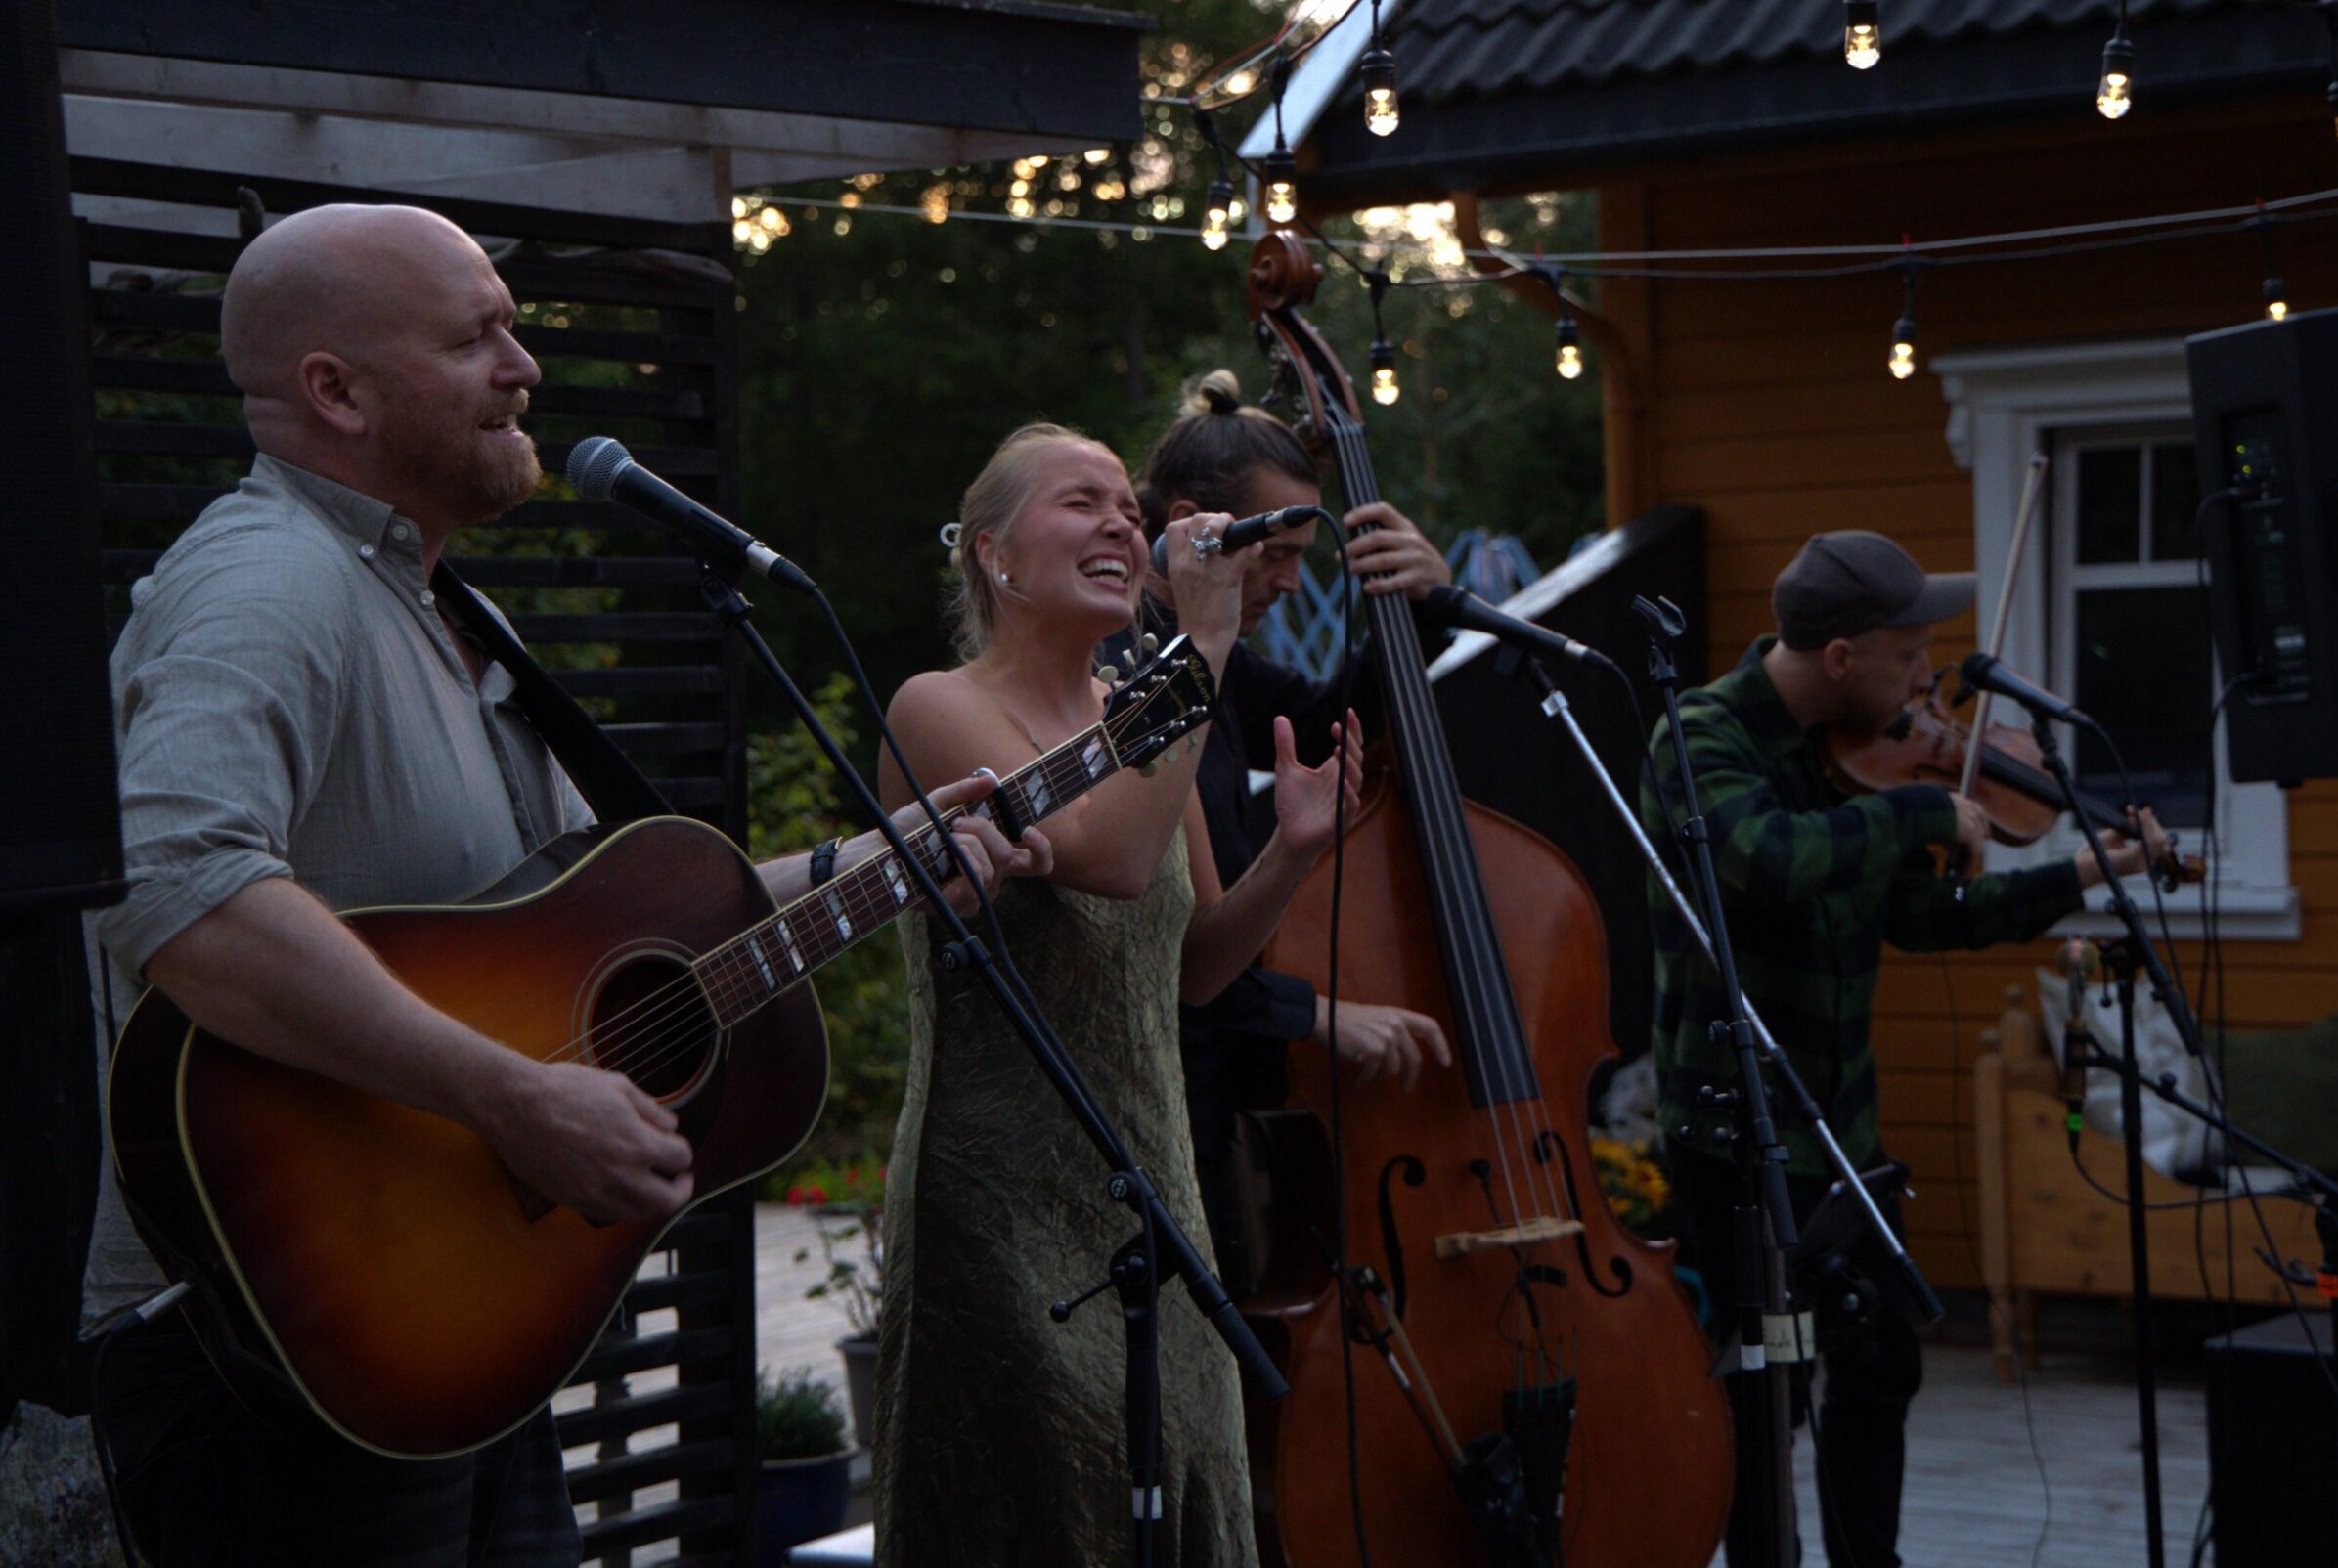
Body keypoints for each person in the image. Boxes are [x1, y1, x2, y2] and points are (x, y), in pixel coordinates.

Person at [80, 202, 1044, 1568]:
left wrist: (879, 861)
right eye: (478, 337)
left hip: (449, 1328)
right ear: (335, 391)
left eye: (515, 329)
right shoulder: (263, 582)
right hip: (282, 1353)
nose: (525, 368)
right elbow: (176, 884)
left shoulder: (451, 610)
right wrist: (511, 1094)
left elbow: (613, 929)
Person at [871, 422, 1365, 1567]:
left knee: (1178, 1477)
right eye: (1080, 503)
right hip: (997, 1198)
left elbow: (1190, 965)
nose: (1119, 525)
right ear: (992, 554)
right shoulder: (937, 704)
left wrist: (1291, 855)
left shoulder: (1140, 710)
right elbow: (1111, 860)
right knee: (1043, 1500)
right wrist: (1201, 643)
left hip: (1151, 1180)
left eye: (1125, 512)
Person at [1648, 529, 2171, 1568]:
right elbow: (1763, 856)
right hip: (1737, 1128)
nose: (1930, 684)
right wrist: (1927, 805)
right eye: (1908, 659)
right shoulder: (1702, 734)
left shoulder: (1867, 767)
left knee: (1879, 1362)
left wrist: (2079, 875)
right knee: (1762, 1396)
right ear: (1840, 658)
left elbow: (1929, 917)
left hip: (1844, 1127)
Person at [1123, 369, 1457, 1291]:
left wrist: (1418, 609)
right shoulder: (1133, 666)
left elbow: (1330, 717)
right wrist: (1315, 1014)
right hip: (1156, 1093)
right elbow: (1172, 943)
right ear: (1194, 523)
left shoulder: (1213, 655)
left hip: (1209, 1080)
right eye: (1276, 552)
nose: (1291, 582)